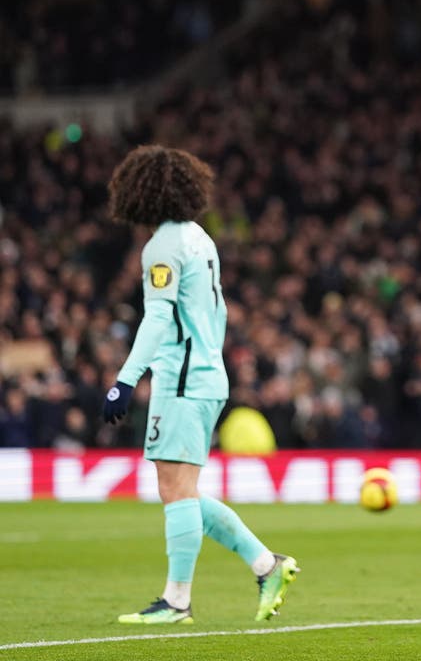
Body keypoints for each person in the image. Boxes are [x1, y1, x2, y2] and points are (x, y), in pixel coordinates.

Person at [103, 146, 299, 625]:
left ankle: (177, 601)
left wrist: (125, 379)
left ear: (141, 193)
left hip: (185, 378)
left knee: (175, 487)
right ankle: (266, 564)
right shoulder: (199, 238)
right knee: (182, 490)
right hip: (207, 373)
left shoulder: (162, 246)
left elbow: (157, 316)